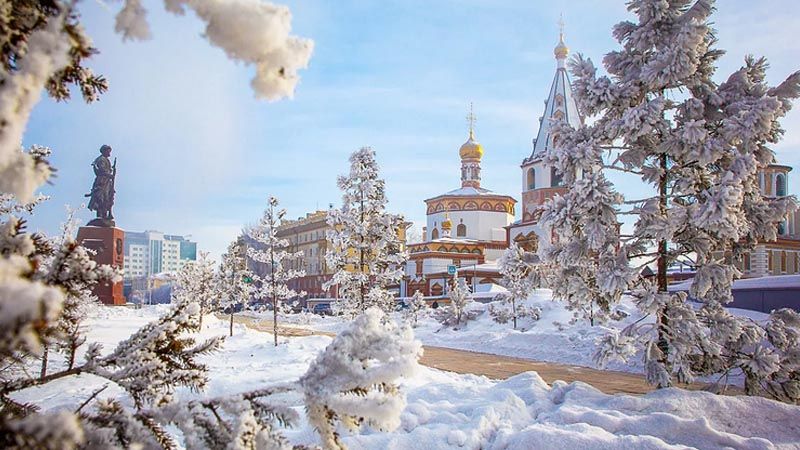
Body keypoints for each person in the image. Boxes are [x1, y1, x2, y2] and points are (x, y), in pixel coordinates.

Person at [87, 145, 116, 221]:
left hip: (107, 182)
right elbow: (102, 170)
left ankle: (105, 215)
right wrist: (109, 175)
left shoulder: (106, 159)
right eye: (108, 151)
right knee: (101, 199)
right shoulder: (101, 159)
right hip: (102, 182)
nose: (109, 153)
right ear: (104, 151)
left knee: (108, 198)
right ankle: (101, 216)